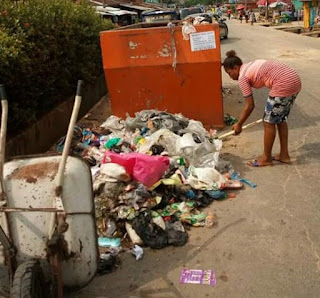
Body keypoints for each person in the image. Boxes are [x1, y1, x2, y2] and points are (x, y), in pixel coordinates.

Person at [222, 50, 301, 167]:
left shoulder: (242, 77)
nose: (230, 77)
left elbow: (250, 105)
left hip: (283, 84)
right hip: (294, 80)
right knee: (280, 119)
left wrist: (239, 124)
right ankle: (284, 155)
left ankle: (266, 158)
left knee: (268, 122)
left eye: (229, 73)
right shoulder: (249, 66)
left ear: (235, 68)